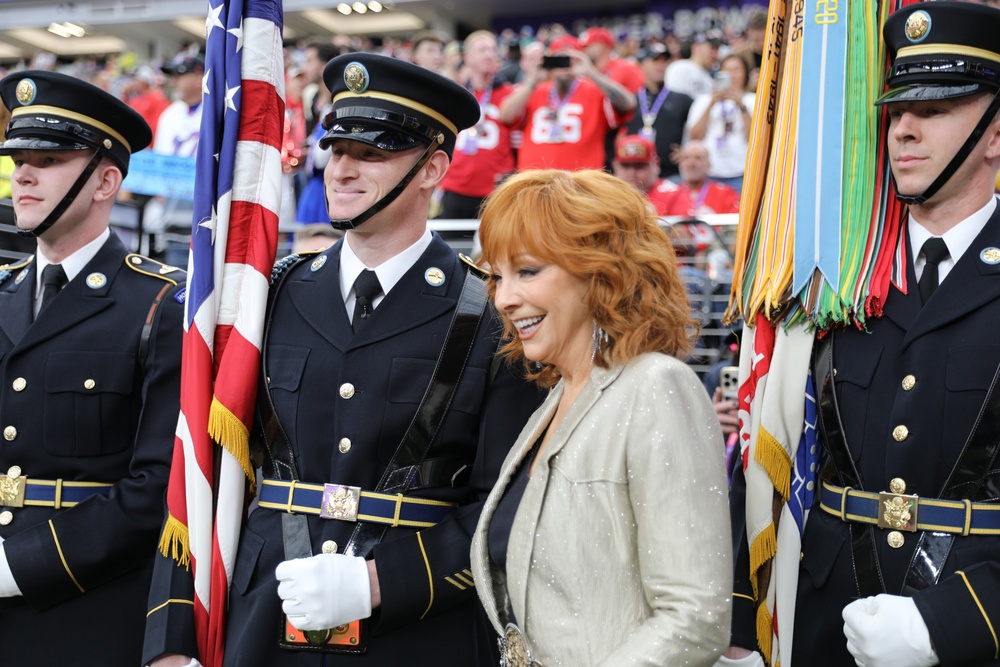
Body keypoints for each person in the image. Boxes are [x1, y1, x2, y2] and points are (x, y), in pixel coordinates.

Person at [143, 52, 543, 667]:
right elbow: (200, 467)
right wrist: (171, 642)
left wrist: (385, 582)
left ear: (434, 168)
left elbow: (508, 506)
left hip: (416, 630)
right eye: (337, 149)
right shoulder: (267, 296)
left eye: (374, 153)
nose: (343, 170)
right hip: (260, 624)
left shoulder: (491, 315)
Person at [725, 3, 1000, 666]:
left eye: (934, 110)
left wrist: (958, 621)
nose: (903, 129)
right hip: (825, 620)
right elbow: (784, 435)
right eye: (896, 110)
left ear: (995, 134)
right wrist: (741, 622)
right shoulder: (837, 269)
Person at [470, 168, 732, 666]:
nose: (503, 298)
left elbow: (694, 618)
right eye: (497, 277)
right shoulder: (554, 401)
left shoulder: (656, 388)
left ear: (600, 271)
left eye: (527, 271)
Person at [0, 70, 184, 664]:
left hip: (86, 610)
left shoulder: (159, 303)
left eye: (47, 158)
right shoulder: (2, 293)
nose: (22, 173)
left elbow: (157, 487)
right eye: (18, 157)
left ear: (106, 180)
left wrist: (19, 565)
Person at [500, 35, 636, 171]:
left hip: (580, 184)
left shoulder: (595, 90)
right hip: (536, 182)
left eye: (569, 60)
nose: (564, 66)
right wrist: (532, 80)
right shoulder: (532, 90)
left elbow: (628, 104)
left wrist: (592, 73)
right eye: (558, 59)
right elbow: (505, 116)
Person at [437, 29, 517, 220]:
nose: (489, 55)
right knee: (452, 247)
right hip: (456, 186)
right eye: (482, 50)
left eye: (492, 50)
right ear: (468, 57)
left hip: (495, 189)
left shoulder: (511, 94)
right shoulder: (455, 92)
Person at [622, 42, 694, 180]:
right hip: (636, 175)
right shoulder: (630, 100)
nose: (661, 66)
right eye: (655, 61)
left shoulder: (682, 99)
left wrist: (688, 151)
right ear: (642, 65)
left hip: (671, 175)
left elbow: (701, 129)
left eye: (664, 61)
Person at [686, 54, 755, 193]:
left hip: (742, 173)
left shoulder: (753, 100)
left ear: (745, 74)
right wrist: (711, 103)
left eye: (736, 70)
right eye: (727, 70)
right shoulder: (703, 100)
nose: (732, 75)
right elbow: (695, 136)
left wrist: (740, 105)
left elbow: (754, 138)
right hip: (710, 174)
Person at [664, 141, 740, 217]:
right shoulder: (668, 194)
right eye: (686, 158)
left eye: (698, 158)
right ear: (679, 164)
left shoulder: (726, 194)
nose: (691, 163)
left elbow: (732, 226)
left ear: (709, 165)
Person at [610, 133, 680, 215]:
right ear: (615, 165)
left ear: (656, 164)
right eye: (625, 166)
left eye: (639, 165)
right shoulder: (606, 196)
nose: (632, 173)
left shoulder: (674, 195)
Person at [665, 31, 722, 100]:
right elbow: (675, 103)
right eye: (712, 49)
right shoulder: (680, 68)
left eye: (717, 50)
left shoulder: (709, 80)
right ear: (695, 48)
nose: (715, 55)